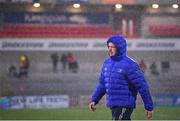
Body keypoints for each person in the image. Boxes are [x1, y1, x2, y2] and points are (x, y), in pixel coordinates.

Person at [89, 35, 153, 120]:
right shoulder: (107, 63)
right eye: (109, 46)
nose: (110, 49)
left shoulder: (130, 65)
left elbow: (142, 86)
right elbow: (102, 84)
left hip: (125, 104)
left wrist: (148, 106)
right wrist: (94, 100)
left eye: (113, 47)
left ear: (120, 48)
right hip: (113, 104)